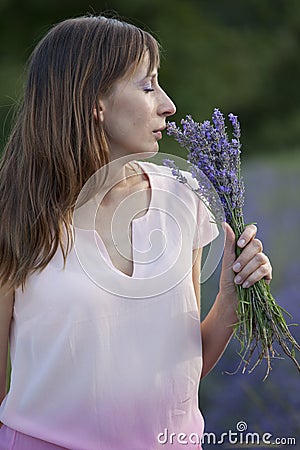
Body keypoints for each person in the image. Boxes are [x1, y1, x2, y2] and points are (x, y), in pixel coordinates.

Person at [0, 15, 272, 450]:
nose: (169, 105)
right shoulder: (13, 218)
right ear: (94, 101)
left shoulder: (182, 202)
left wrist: (229, 301)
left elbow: (176, 373)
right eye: (148, 86)